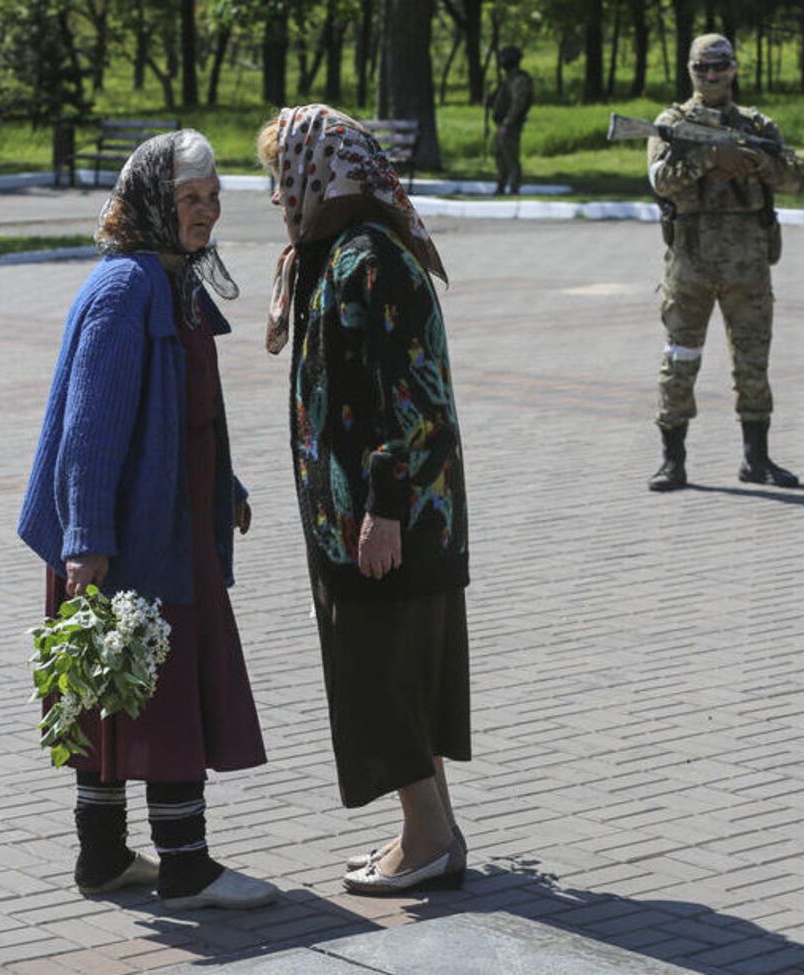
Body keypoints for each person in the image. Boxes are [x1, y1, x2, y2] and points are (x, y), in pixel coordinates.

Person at [18, 129, 279, 911]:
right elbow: (87, 432)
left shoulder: (173, 279)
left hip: (171, 522)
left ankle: (102, 858)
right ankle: (186, 865)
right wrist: (88, 542)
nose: (204, 215)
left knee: (118, 690)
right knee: (158, 691)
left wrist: (223, 481)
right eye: (189, 201)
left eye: (211, 201)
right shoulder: (125, 289)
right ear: (152, 205)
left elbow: (183, 409)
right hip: (125, 539)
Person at [257, 104, 471, 896]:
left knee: (383, 673)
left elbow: (409, 402)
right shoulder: (335, 253)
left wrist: (381, 506)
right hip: (372, 515)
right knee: (401, 671)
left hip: (390, 518)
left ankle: (426, 840)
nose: (278, 190)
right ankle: (434, 827)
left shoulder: (367, 259)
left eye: (284, 171)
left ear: (319, 171)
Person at [646, 33, 802, 492]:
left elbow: (792, 178)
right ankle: (672, 460)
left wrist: (754, 162)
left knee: (753, 361)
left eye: (719, 66)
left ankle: (757, 458)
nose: (711, 76)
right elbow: (660, 181)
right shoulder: (672, 123)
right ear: (690, 70)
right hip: (690, 263)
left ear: (734, 69)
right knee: (680, 360)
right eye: (702, 68)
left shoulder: (759, 125)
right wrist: (708, 158)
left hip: (748, 263)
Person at [489, 45, 533, 195]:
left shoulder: (519, 80)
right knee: (499, 154)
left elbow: (518, 104)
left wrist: (507, 123)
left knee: (510, 157)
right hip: (504, 124)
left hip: (510, 125)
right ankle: (501, 186)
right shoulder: (509, 79)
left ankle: (513, 188)